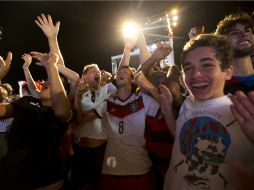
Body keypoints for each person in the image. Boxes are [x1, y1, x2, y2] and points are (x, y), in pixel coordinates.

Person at [162, 33, 254, 190]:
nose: (195, 74)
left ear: (228, 72)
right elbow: (179, 136)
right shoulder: (188, 103)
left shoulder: (243, 112)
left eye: (207, 65)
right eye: (188, 68)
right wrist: (167, 112)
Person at [0, 52, 73, 190]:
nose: (46, 82)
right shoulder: (26, 101)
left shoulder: (63, 113)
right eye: (46, 80)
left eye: (52, 81)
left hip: (45, 182)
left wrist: (52, 66)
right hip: (11, 178)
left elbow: (62, 110)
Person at [215, 11, 254, 94]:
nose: (244, 34)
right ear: (223, 44)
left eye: (247, 30)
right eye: (234, 33)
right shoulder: (217, 88)